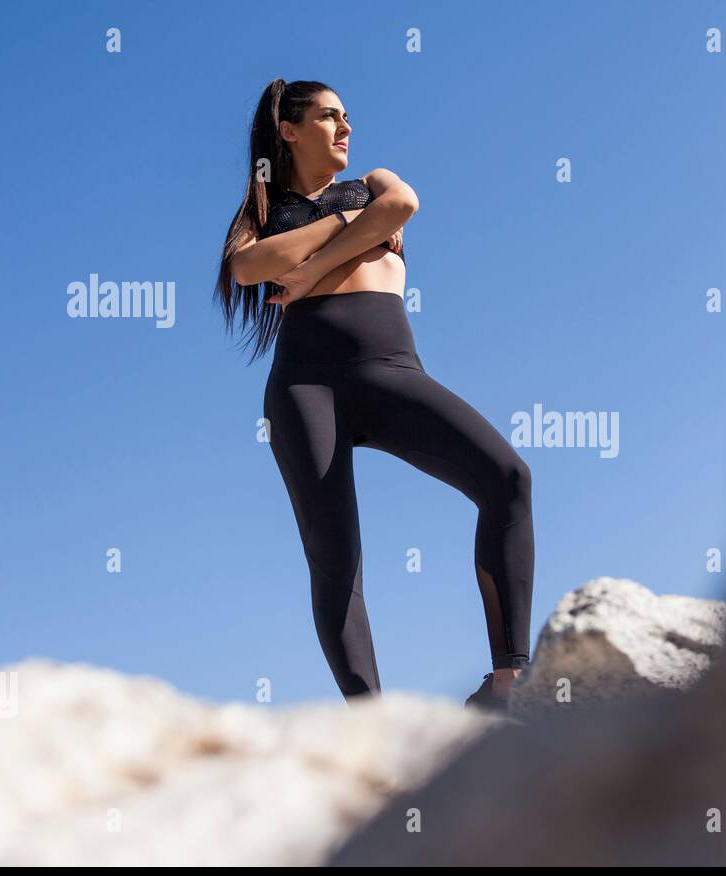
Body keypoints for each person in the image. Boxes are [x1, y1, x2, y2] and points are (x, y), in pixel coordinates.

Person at [214, 79, 534, 713]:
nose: (345, 128)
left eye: (347, 117)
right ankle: (374, 726)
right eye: (330, 117)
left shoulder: (375, 182)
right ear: (289, 129)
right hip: (304, 385)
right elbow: (247, 267)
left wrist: (306, 268)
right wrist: (341, 232)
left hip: (389, 369)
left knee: (507, 477)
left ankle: (507, 680)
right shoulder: (264, 205)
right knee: (336, 559)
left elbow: (402, 206)